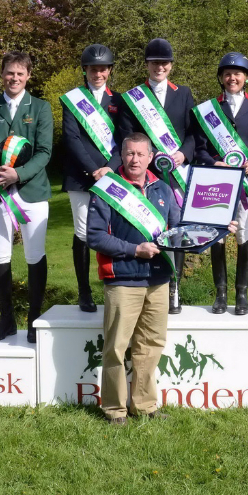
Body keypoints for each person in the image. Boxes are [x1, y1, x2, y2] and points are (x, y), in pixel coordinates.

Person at [86, 133, 181, 424]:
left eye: (141, 154)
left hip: (158, 279)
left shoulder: (163, 188)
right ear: (122, 156)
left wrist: (216, 227)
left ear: (151, 157)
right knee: (116, 347)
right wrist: (134, 250)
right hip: (122, 280)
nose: (135, 159)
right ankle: (115, 409)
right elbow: (95, 236)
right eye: (129, 154)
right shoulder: (106, 190)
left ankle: (145, 405)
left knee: (151, 345)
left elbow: (179, 229)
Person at [0, 51, 54, 343]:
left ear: (28, 76)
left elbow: (45, 152)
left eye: (20, 73)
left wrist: (17, 175)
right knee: (0, 255)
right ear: (2, 74)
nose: (14, 78)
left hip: (32, 192)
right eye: (10, 73)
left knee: (34, 255)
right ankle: (6, 319)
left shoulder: (42, 108)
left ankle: (34, 319)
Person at [114, 38, 196, 314]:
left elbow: (194, 133)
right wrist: (143, 165)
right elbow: (125, 137)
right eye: (154, 62)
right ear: (147, 64)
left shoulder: (183, 94)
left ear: (170, 65)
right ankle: (147, 283)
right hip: (146, 177)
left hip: (178, 173)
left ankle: (175, 288)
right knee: (147, 227)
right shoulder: (132, 97)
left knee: (176, 229)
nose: (159, 66)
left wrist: (184, 153)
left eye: (164, 62)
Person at [193, 52, 248, 315]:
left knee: (244, 234)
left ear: (246, 77)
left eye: (237, 73)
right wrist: (215, 164)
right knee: (218, 236)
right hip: (217, 181)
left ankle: (242, 294)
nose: (232, 77)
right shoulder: (208, 110)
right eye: (227, 73)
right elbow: (199, 149)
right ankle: (221, 294)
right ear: (221, 77)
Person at [61, 44, 120, 313]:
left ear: (109, 71)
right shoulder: (73, 100)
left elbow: (125, 139)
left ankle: (115, 286)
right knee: (83, 233)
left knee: (115, 231)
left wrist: (110, 167)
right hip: (81, 177)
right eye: (93, 69)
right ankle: (84, 291)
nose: (98, 73)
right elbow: (71, 139)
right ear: (85, 70)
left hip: (113, 176)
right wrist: (93, 170)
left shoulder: (120, 101)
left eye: (103, 69)